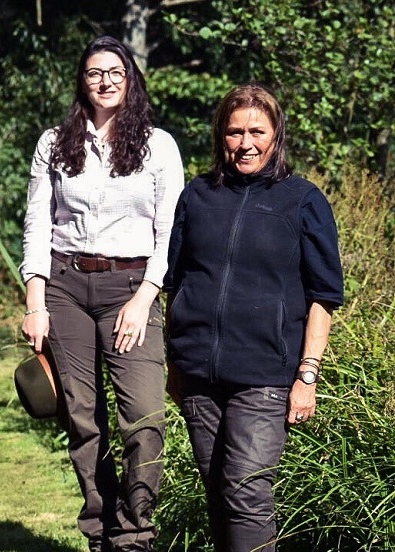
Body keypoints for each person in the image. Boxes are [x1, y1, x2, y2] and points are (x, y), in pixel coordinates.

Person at [20, 36, 184, 552]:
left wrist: (144, 298)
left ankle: (136, 532)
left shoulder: (159, 145)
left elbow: (170, 231)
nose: (106, 80)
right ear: (82, 81)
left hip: (132, 288)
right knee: (82, 417)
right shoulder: (53, 142)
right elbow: (37, 226)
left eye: (115, 71)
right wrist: (35, 302)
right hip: (66, 287)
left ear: (130, 77)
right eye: (95, 72)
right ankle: (99, 530)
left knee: (144, 419)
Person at [164, 84, 344, 552]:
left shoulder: (303, 201)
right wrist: (175, 363)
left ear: (276, 135)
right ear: (220, 137)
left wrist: (307, 375)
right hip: (199, 374)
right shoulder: (197, 196)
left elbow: (324, 297)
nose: (245, 143)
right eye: (234, 131)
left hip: (266, 376)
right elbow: (177, 282)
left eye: (256, 131)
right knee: (219, 491)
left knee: (246, 492)